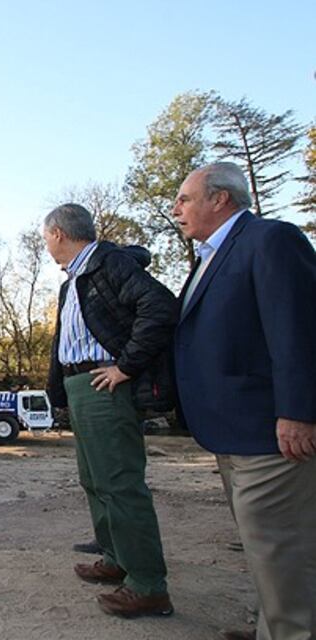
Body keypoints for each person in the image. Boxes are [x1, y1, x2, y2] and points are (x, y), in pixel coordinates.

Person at [172, 162, 316, 640]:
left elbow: (297, 331)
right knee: (263, 552)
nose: (176, 209)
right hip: (232, 435)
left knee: (282, 553)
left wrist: (298, 412)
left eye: (185, 199)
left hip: (272, 435)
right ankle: (271, 628)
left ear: (221, 199)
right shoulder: (210, 256)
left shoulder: (271, 240)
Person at [44, 203, 178, 618]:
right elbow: (63, 345)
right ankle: (116, 557)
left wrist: (126, 366)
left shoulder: (109, 264)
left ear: (59, 234)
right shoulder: (73, 282)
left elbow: (159, 308)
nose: (45, 243)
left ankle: (147, 584)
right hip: (80, 386)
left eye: (45, 236)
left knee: (120, 483)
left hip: (105, 386)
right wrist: (59, 394)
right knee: (94, 479)